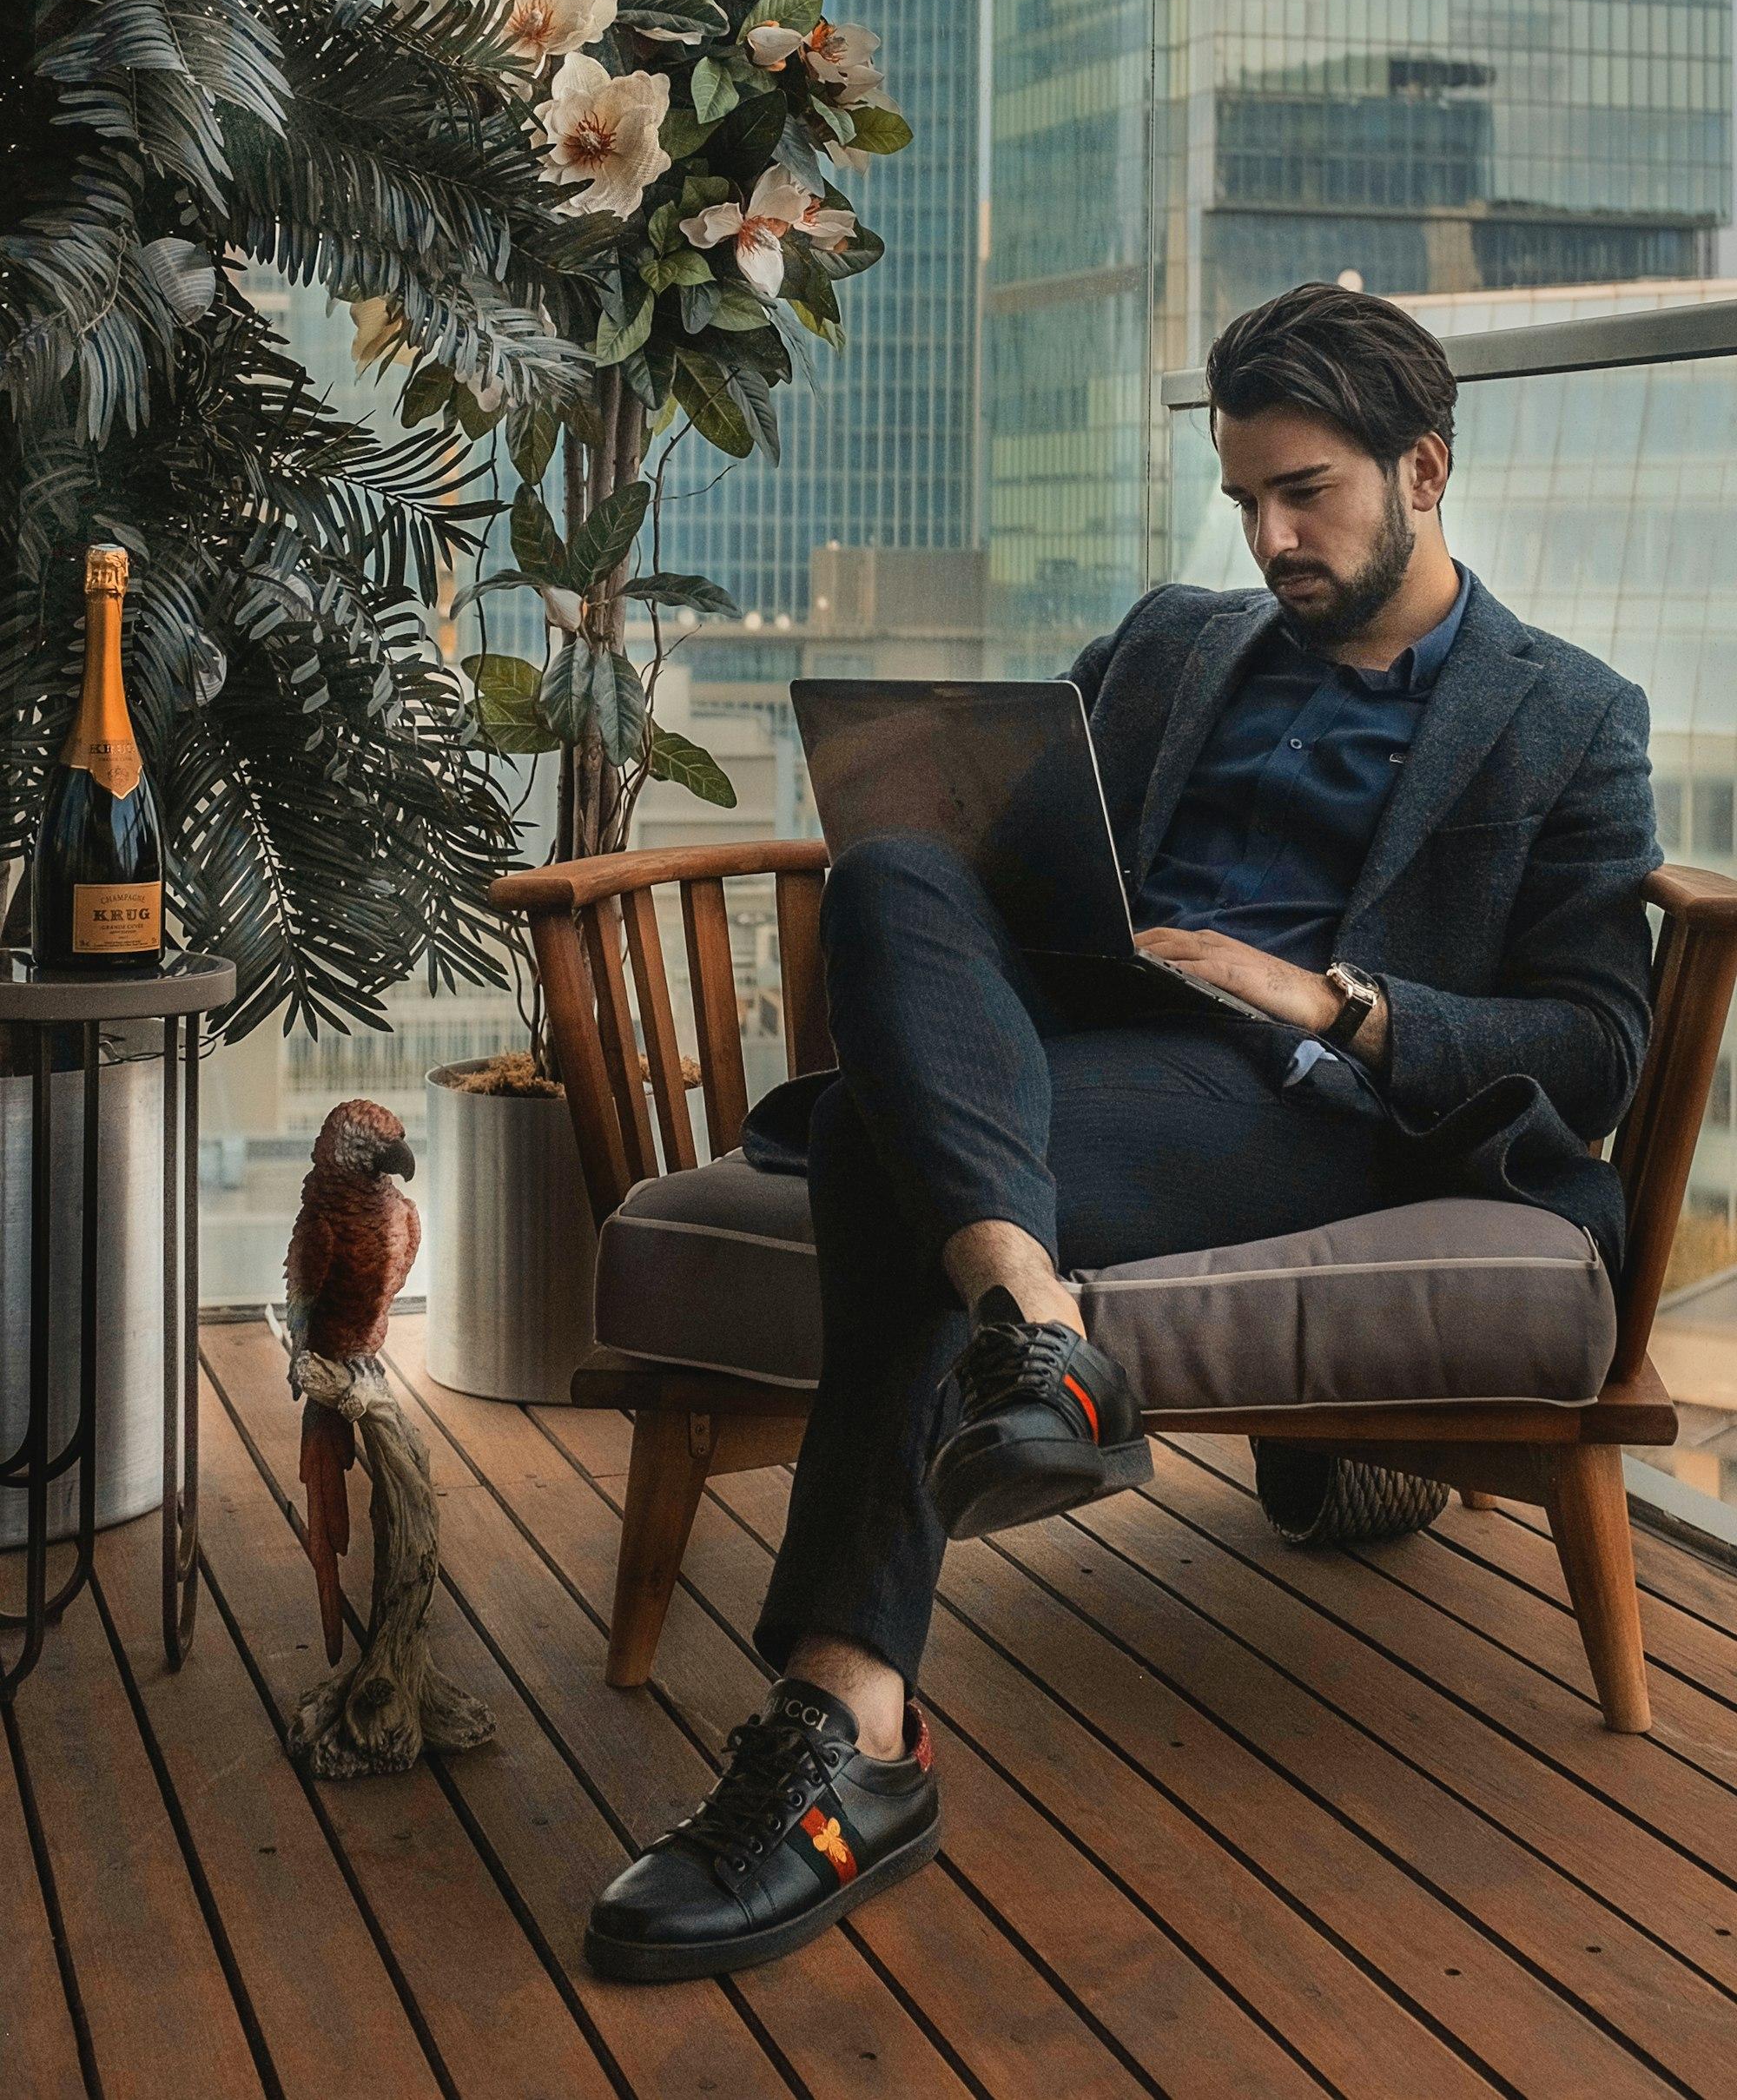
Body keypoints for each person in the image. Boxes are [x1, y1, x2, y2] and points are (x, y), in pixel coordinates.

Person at [585, 281, 1660, 1985]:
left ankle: (841, 1734)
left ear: (1425, 467)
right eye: (1244, 496)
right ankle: (1034, 1322)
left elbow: (1595, 1039)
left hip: (1295, 1101)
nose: (1270, 533)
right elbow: (1014, 858)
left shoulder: (1565, 716)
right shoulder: (1171, 639)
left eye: (1306, 490)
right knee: (893, 860)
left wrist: (1332, 998)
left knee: (887, 1145)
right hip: (1057, 1055)